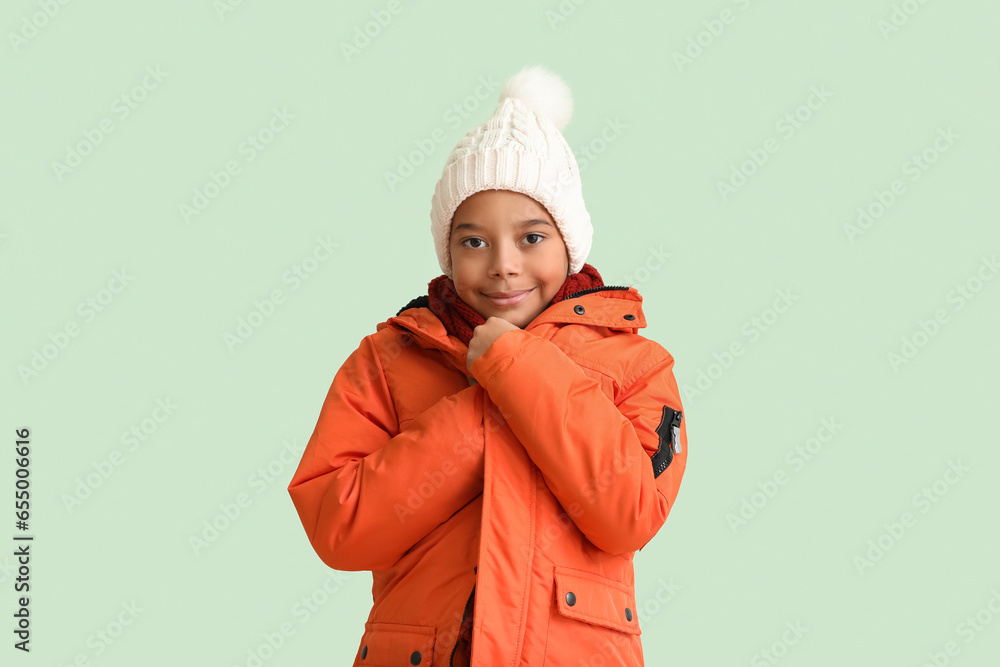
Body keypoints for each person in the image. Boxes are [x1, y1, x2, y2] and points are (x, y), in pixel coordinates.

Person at [287, 64, 688, 667]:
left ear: (569, 242)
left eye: (532, 237)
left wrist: (517, 370)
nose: (503, 265)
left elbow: (626, 512)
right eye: (474, 241)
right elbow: (338, 527)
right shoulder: (389, 359)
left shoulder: (634, 363)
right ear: (447, 251)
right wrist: (483, 411)